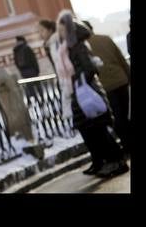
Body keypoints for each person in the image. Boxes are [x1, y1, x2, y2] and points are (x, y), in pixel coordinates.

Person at [53, 10, 126, 179]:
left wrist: (77, 79)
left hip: (87, 91)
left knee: (99, 129)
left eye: (62, 28)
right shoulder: (67, 47)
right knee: (91, 130)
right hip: (78, 93)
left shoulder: (78, 45)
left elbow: (89, 68)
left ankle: (118, 162)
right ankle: (106, 161)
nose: (60, 32)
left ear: (69, 28)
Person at [84, 25, 131, 157]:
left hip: (106, 86)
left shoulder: (84, 46)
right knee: (127, 113)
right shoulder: (105, 38)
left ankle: (127, 145)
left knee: (117, 117)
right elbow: (121, 58)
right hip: (121, 79)